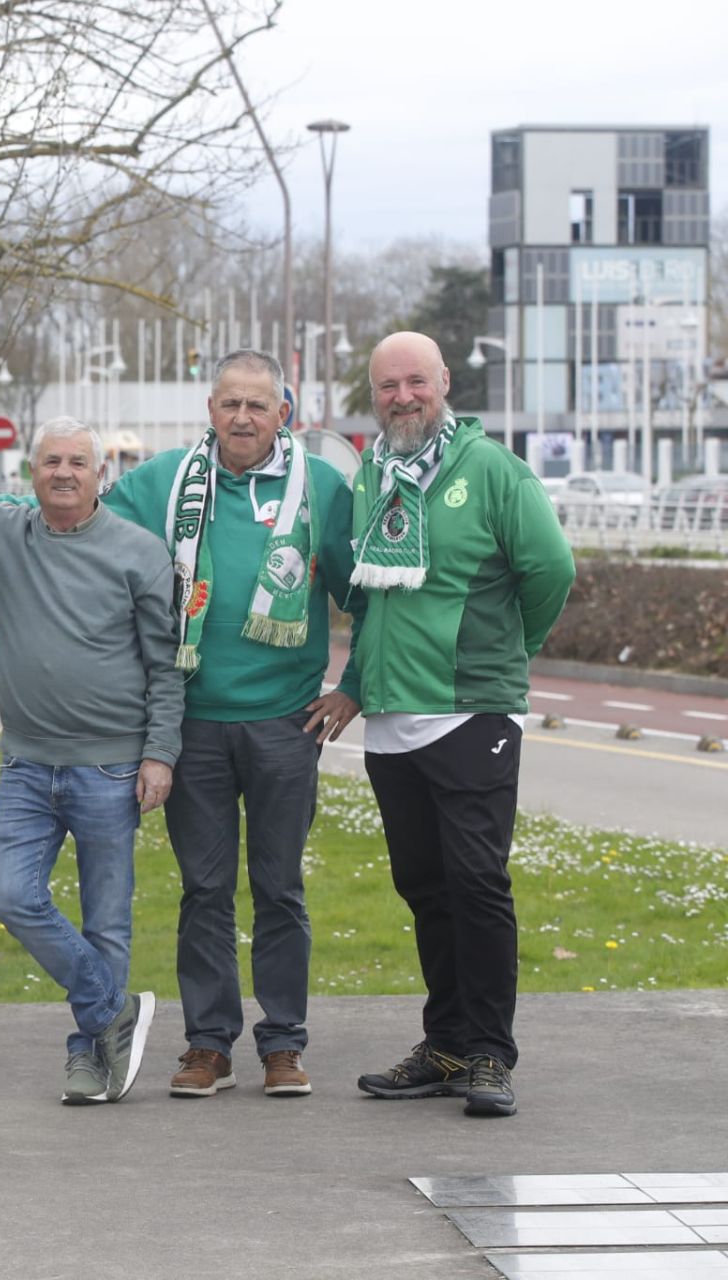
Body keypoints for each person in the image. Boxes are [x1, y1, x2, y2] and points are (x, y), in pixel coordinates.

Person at [0, 410, 183, 1105]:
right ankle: (113, 1011)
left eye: (77, 462)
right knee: (13, 898)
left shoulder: (139, 553)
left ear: (99, 473)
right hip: (27, 766)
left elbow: (166, 668)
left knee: (107, 921)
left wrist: (159, 754)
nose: (64, 473)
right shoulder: (2, 531)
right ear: (32, 471)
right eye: (51, 462)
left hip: (111, 766)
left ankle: (89, 1057)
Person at [94, 349, 361, 1101]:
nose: (242, 417)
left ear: (285, 413)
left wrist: (356, 687)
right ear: (209, 411)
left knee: (279, 889)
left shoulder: (322, 489)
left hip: (286, 725)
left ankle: (284, 1044)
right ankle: (208, 1044)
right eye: (228, 404)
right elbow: (91, 548)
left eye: (258, 404)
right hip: (193, 725)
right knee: (204, 890)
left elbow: (366, 594)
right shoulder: (161, 484)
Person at [350, 331, 575, 1119]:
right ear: (373, 395)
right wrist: (354, 686)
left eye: (416, 381)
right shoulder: (372, 474)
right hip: (390, 721)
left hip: (470, 712)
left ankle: (489, 1053)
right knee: (426, 888)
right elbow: (367, 597)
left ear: (444, 381)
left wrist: (507, 656)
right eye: (387, 386)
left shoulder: (491, 471)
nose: (403, 397)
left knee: (477, 884)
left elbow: (552, 570)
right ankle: (445, 1044)